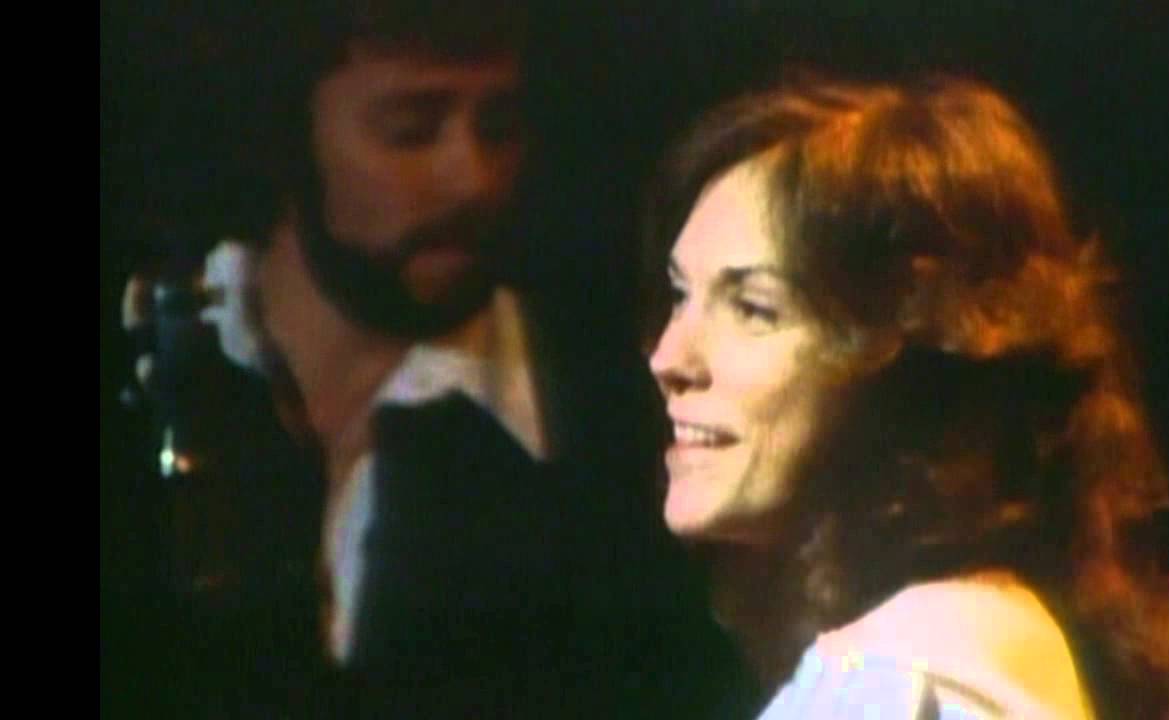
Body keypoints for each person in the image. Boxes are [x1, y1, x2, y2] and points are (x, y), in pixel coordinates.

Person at [116, 1, 742, 716]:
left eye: (499, 128)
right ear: (288, 137)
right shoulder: (152, 365)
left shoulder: (622, 414)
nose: (474, 179)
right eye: (411, 131)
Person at [644, 74, 1169, 719]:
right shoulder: (996, 636)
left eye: (754, 309)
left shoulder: (896, 679)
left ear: (907, 362)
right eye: (681, 295)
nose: (668, 359)